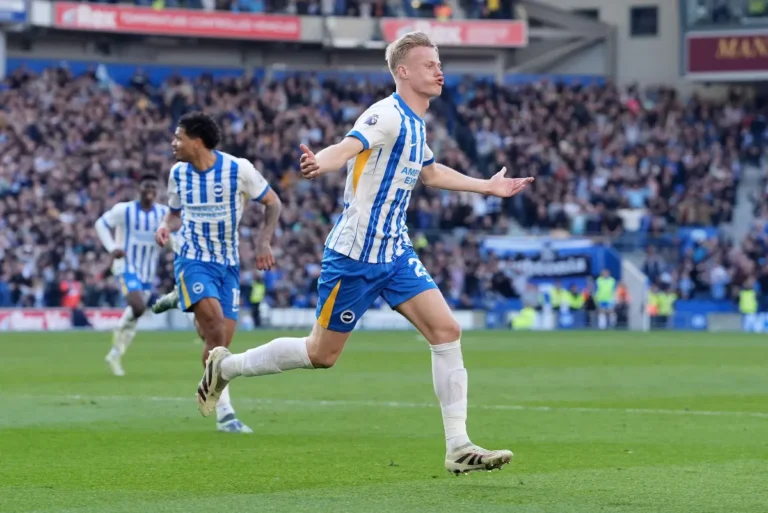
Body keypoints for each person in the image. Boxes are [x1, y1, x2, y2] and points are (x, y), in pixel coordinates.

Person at [194, 31, 533, 474]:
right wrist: (324, 161)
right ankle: (227, 367)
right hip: (354, 256)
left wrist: (486, 185)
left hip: (394, 251)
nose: (439, 70)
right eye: (429, 64)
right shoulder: (386, 114)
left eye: (439, 63)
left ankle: (458, 446)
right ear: (403, 72)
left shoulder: (416, 122)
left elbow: (429, 173)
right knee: (322, 354)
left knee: (447, 331)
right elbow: (348, 146)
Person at [154, 112, 282, 434]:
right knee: (213, 333)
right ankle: (226, 414)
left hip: (228, 265)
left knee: (219, 345)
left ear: (196, 141)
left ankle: (180, 298)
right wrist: (164, 227)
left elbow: (273, 202)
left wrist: (264, 241)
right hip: (192, 259)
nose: (173, 143)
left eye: (178, 137)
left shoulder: (238, 169)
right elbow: (174, 214)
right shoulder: (178, 174)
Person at [95, 174, 169, 376]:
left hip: (147, 272)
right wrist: (112, 248)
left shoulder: (163, 213)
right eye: (146, 185)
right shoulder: (124, 210)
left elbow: (174, 236)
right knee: (137, 306)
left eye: (153, 185)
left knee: (135, 316)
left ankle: (115, 354)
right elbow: (100, 224)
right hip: (125, 266)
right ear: (140, 189)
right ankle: (118, 336)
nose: (150, 189)